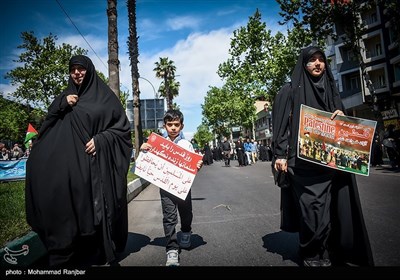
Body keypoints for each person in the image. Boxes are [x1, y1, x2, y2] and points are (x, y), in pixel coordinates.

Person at [25, 55, 132, 267]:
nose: (76, 72)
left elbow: (122, 130)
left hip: (94, 169)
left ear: (89, 70)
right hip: (69, 169)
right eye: (73, 69)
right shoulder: (65, 97)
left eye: (81, 69)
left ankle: (96, 249)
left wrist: (101, 140)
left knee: (93, 211)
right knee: (68, 209)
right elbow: (48, 126)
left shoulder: (105, 98)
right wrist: (61, 104)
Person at [271, 46, 374, 267]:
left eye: (321, 60)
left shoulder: (331, 89)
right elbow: (280, 126)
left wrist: (342, 115)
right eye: (312, 60)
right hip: (301, 164)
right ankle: (310, 252)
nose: (318, 63)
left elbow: (345, 126)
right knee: (312, 210)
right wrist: (279, 155)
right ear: (303, 64)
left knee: (331, 208)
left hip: (330, 163)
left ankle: (328, 250)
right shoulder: (289, 91)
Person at [140, 109, 203, 266]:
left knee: (186, 213)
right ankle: (172, 249)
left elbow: (193, 165)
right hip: (165, 188)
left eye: (176, 125)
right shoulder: (158, 143)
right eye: (170, 125)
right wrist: (144, 149)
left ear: (182, 126)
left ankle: (186, 231)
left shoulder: (186, 144)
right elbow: (148, 159)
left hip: (183, 188)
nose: (173, 128)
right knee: (169, 217)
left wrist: (198, 165)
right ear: (164, 126)